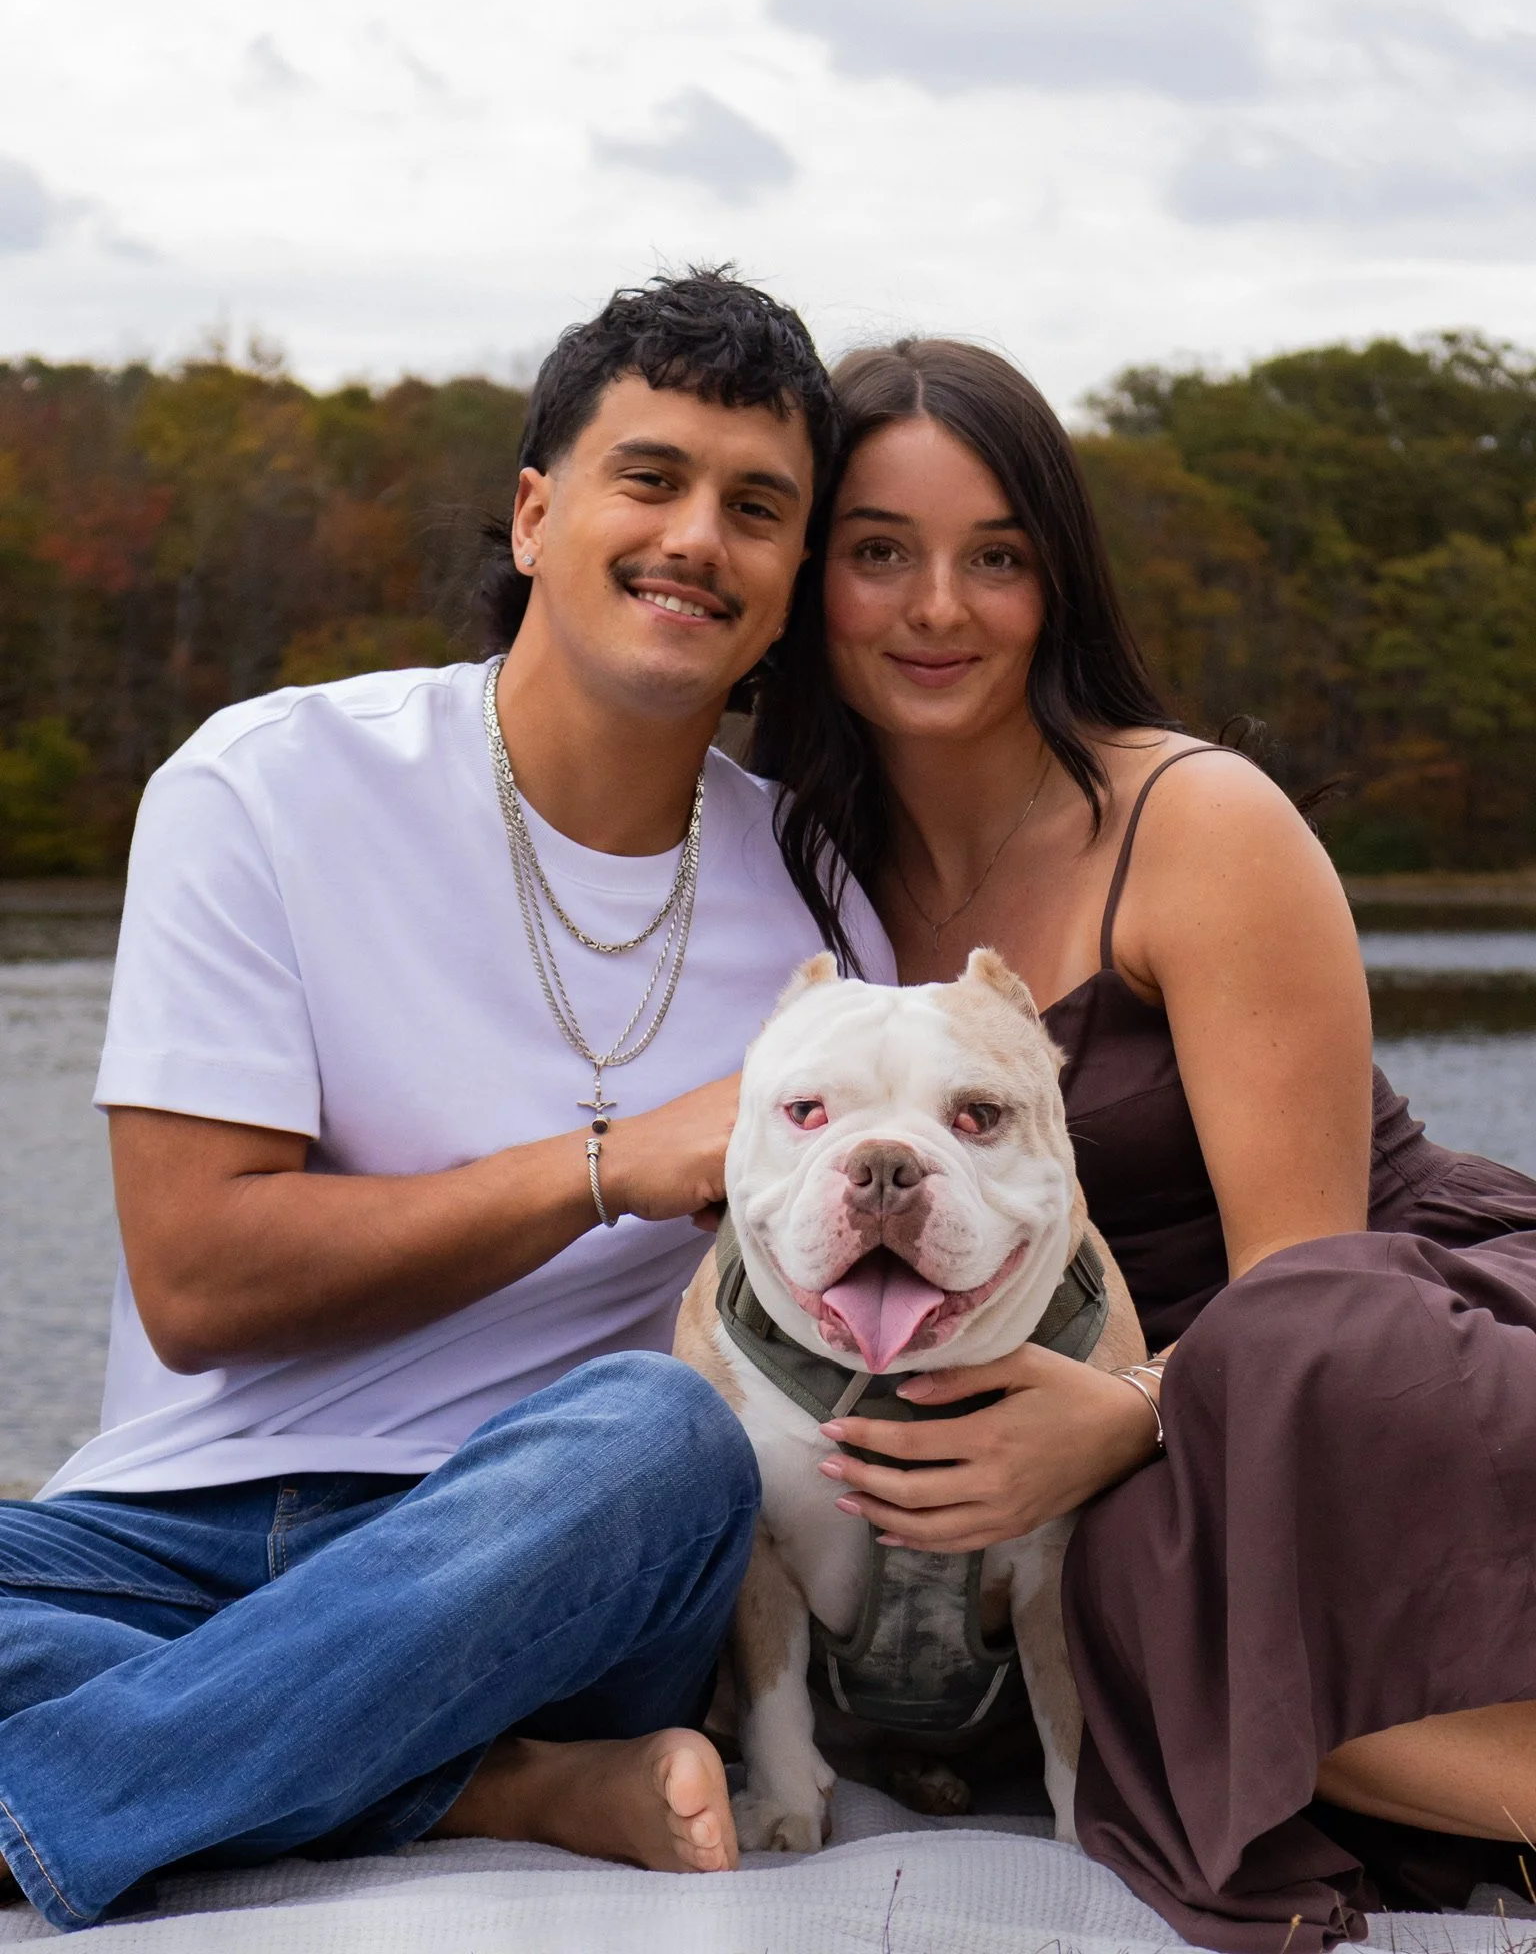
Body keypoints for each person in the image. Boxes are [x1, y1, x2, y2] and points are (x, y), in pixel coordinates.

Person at [0, 270, 892, 1933]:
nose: (700, 534)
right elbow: (198, 1287)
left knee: (665, 1435)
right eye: (653, 478)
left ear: (787, 586)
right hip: (177, 1527)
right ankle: (496, 1784)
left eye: (758, 508)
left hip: (552, 1560)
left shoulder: (822, 909)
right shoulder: (265, 782)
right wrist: (615, 1167)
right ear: (538, 512)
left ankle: (56, 1803)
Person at [751, 336, 1536, 1951]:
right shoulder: (790, 860)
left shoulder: (1198, 824)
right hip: (1098, 1411)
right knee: (1121, 1608)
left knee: (1177, 1540)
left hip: (1351, 1348)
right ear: (809, 577)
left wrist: (1114, 1419)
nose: (938, 609)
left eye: (999, 559)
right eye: (879, 554)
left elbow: (1305, 1287)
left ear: (1063, 584)